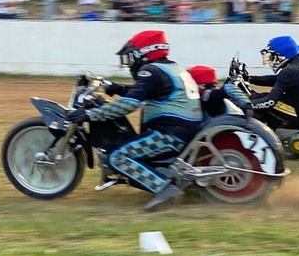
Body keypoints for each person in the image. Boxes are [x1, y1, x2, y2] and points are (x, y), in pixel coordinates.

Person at [65, 30, 204, 211]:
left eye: (132, 55)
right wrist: (119, 88)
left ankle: (164, 188)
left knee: (118, 157)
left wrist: (90, 115)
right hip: (182, 128)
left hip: (170, 133)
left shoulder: (151, 71)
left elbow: (128, 105)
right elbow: (150, 91)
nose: (130, 61)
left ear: (142, 54)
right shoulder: (171, 67)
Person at [246, 36, 299, 130]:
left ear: (281, 55)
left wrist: (244, 106)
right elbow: (278, 80)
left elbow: (270, 101)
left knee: (257, 102)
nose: (271, 60)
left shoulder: (289, 71)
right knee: (259, 97)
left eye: (272, 56)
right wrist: (249, 79)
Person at [187, 65, 252, 117]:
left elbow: (228, 88)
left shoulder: (207, 94)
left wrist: (246, 105)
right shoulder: (208, 94)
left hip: (217, 128)